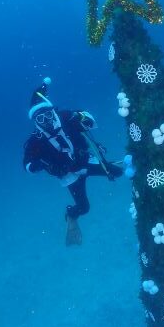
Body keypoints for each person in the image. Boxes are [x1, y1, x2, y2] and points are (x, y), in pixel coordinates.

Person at [23, 77, 123, 246]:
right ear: (35, 122)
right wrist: (39, 165)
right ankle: (71, 214)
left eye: (48, 115)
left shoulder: (66, 117)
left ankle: (112, 165)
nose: (46, 121)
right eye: (40, 119)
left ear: (53, 111)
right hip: (68, 175)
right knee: (84, 208)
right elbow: (27, 164)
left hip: (85, 162)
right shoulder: (36, 140)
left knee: (117, 172)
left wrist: (81, 117)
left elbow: (90, 121)